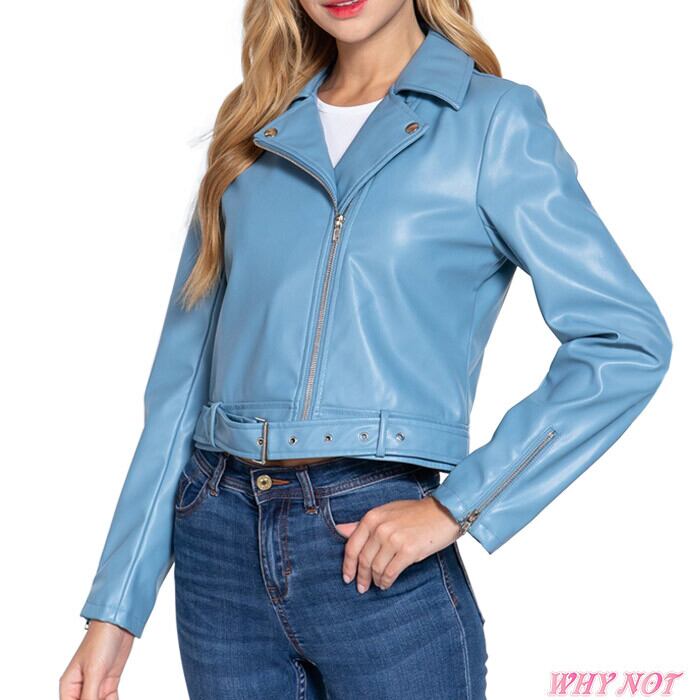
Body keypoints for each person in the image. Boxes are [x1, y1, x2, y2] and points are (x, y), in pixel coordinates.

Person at [60, 0, 672, 698]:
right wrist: (117, 607)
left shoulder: (492, 122)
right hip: (217, 548)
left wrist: (460, 506)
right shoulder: (253, 125)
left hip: (372, 543)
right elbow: (181, 387)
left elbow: (625, 340)